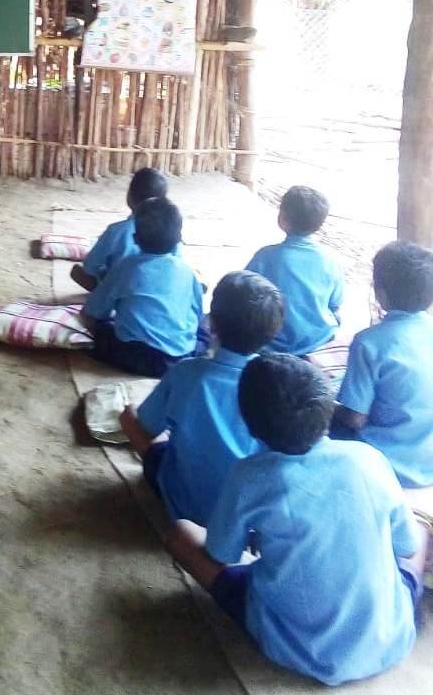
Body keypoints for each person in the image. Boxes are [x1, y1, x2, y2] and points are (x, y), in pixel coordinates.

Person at [165, 354, 427, 687]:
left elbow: (221, 553)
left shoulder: (249, 476)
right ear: (328, 408)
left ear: (249, 424)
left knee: (181, 534)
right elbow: (406, 546)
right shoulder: (369, 458)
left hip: (293, 646)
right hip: (391, 638)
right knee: (419, 528)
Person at [119, 271, 284, 525]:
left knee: (129, 416)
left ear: (212, 322)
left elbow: (148, 426)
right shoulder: (278, 384)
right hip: (245, 514)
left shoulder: (186, 372)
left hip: (186, 503)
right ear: (273, 332)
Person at [333, 241, 433, 488]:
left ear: (381, 294)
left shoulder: (369, 342)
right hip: (428, 460)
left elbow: (355, 418)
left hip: (383, 462)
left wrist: (328, 404)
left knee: (318, 419)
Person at [86, 197, 204, 378]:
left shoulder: (126, 267)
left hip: (133, 355)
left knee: (101, 329)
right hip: (178, 358)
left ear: (135, 238)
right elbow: (197, 313)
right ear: (179, 239)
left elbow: (95, 311)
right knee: (204, 333)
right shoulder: (187, 272)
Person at [246, 185, 343, 355]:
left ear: (282, 219)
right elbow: (335, 303)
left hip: (271, 344)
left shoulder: (265, 256)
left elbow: (243, 293)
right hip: (318, 342)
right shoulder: (331, 259)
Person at [71, 166, 169, 292]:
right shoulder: (170, 231)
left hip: (121, 288)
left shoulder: (116, 231)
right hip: (158, 286)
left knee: (78, 272)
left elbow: (90, 266)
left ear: (130, 197)